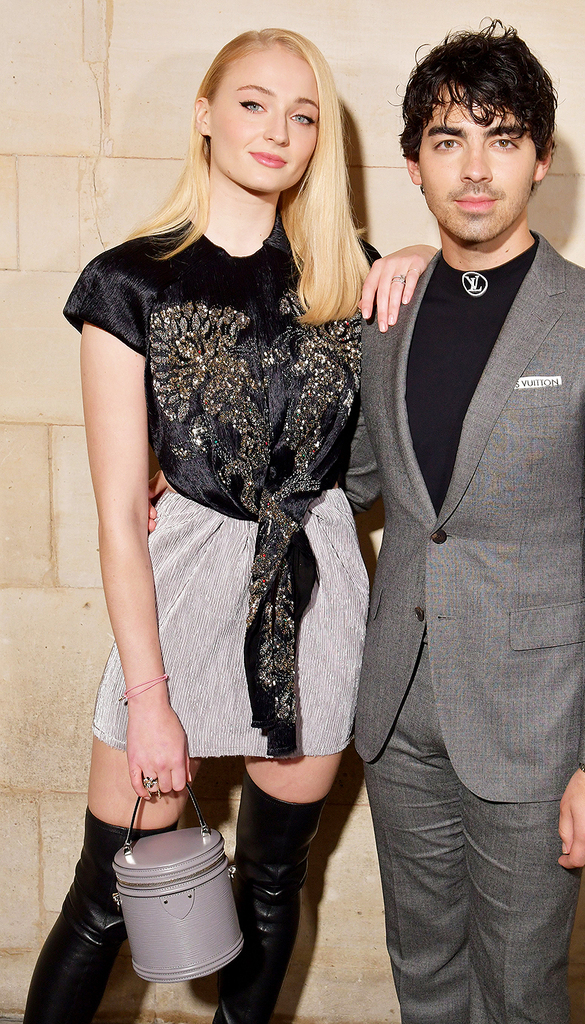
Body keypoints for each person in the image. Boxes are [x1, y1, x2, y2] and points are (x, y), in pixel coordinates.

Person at [23, 28, 430, 1024]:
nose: (277, 131)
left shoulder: (355, 274)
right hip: (179, 589)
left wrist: (429, 258)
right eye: (252, 103)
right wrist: (151, 699)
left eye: (301, 116)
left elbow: (492, 310)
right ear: (203, 113)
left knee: (273, 883)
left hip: (319, 581)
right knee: (109, 895)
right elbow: (123, 514)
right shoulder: (131, 282)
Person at [346, 20, 585, 1024]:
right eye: (448, 139)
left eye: (501, 137)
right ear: (413, 165)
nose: (475, 167)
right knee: (427, 979)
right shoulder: (385, 314)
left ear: (539, 155)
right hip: (399, 716)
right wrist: (178, 478)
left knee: (520, 993)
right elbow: (358, 479)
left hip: (536, 735)